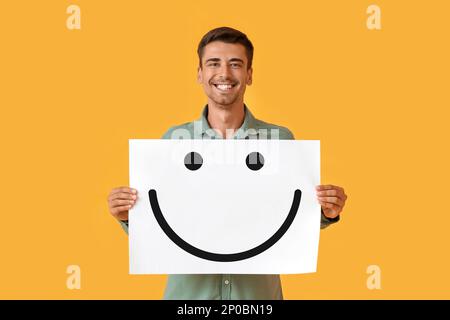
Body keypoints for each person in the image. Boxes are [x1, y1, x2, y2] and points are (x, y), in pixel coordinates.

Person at [107, 27, 347, 300]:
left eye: (235, 64)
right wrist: (129, 216)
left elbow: (290, 219)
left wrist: (327, 211)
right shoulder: (173, 141)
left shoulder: (280, 140)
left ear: (249, 74)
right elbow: (161, 226)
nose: (224, 73)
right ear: (199, 74)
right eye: (213, 63)